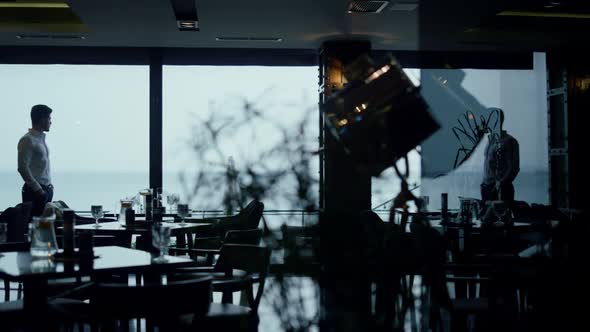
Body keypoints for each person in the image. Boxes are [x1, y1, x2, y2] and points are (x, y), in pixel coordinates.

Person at [17, 104, 54, 216]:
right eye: (49, 118)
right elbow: (23, 168)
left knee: (45, 225)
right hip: (35, 192)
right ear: (42, 119)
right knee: (34, 227)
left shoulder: (40, 140)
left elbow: (42, 167)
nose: (50, 122)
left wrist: (49, 186)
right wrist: (39, 190)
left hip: (45, 190)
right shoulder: (27, 140)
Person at [481, 108, 520, 205]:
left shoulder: (509, 141)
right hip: (487, 188)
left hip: (500, 190)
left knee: (500, 217)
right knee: (487, 218)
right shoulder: (490, 140)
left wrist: (501, 184)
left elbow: (513, 168)